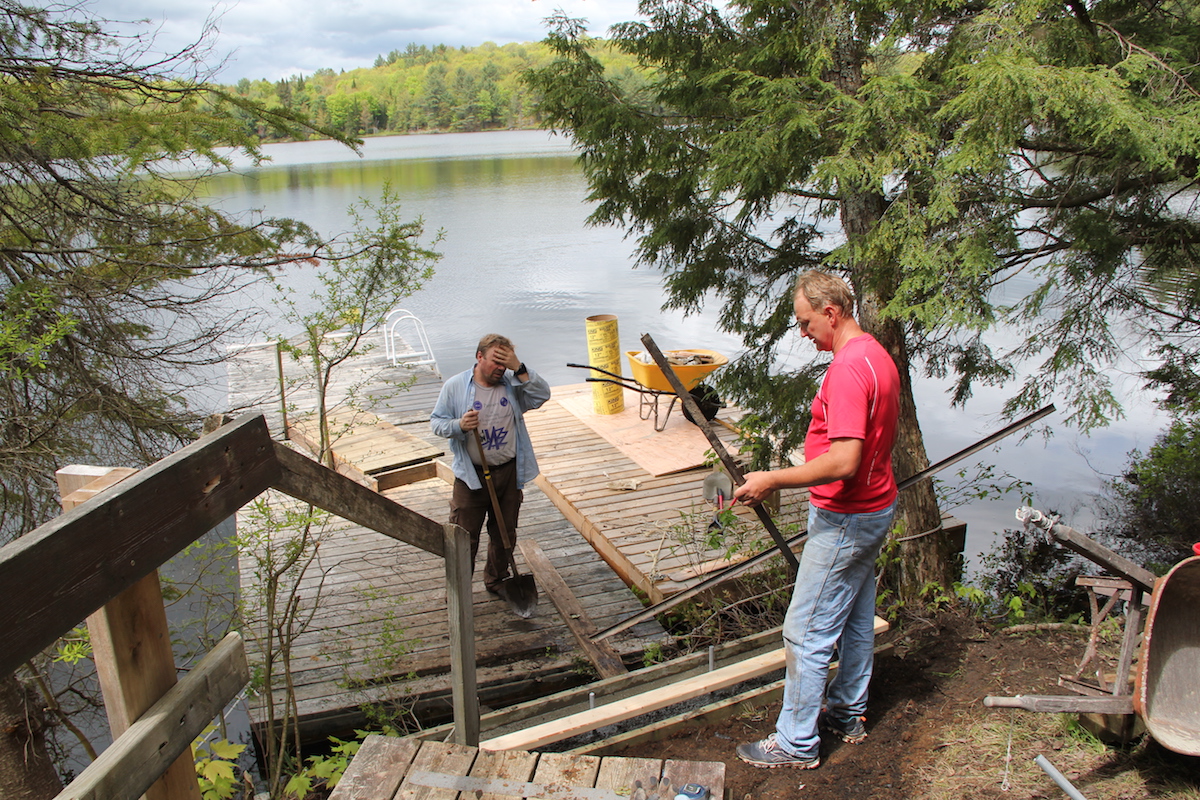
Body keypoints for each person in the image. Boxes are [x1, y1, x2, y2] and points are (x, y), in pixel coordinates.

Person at [733, 270, 900, 770]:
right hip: (875, 507)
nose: (803, 335)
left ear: (831, 312)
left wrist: (772, 479)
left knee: (803, 631)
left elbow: (845, 459)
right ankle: (848, 711)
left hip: (848, 517)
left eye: (806, 324)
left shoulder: (848, 369)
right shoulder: (876, 354)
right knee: (853, 618)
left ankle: (796, 742)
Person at [430, 334, 551, 592]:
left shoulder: (511, 384)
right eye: (496, 361)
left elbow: (541, 395)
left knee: (504, 533)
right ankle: (459, 590)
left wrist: (519, 368)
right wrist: (459, 425)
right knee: (464, 536)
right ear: (479, 356)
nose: (501, 368)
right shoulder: (455, 387)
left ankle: (497, 579)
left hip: (508, 473)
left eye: (505, 362)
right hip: (471, 477)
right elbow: (437, 423)